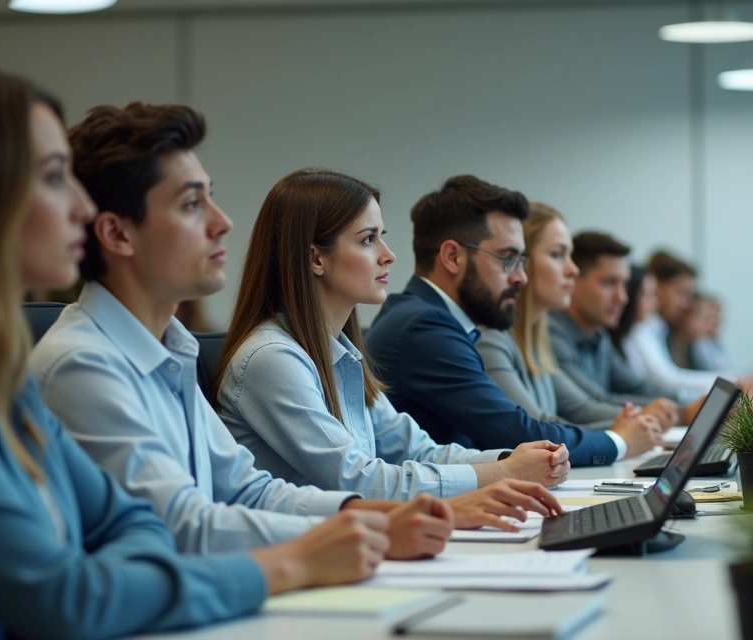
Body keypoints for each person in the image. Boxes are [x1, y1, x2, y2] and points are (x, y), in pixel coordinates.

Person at [0, 67, 389, 640]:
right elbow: (67, 597)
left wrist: (124, 568)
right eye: (51, 178)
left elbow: (132, 523)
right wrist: (292, 563)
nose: (80, 208)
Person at [30, 102, 449, 560]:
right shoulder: (82, 363)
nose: (223, 221)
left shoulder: (170, 347)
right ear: (118, 234)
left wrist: (377, 517)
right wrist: (370, 529)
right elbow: (184, 527)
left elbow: (249, 491)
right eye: (192, 204)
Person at [215, 169, 567, 531]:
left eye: (382, 237)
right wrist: (502, 472)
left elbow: (420, 452)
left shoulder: (341, 355)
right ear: (316, 259)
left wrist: (515, 459)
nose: (389, 255)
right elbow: (360, 482)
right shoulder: (272, 359)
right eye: (369, 239)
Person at [364, 175, 664, 467]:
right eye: (508, 259)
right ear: (453, 257)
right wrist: (619, 442)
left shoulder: (436, 321)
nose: (521, 276)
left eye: (521, 261)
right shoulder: (425, 328)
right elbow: (521, 433)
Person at [475, 204, 658, 430]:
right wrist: (625, 435)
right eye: (557, 255)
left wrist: (637, 424)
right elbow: (535, 429)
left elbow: (577, 410)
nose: (573, 270)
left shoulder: (536, 339)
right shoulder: (491, 338)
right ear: (521, 262)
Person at [548, 230, 708, 425]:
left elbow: (639, 388)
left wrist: (691, 404)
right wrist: (682, 413)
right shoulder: (551, 333)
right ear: (573, 280)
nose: (622, 298)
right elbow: (591, 403)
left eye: (623, 284)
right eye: (608, 283)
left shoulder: (598, 334)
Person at [627, 250, 753, 402]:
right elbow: (667, 380)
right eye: (681, 292)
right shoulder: (643, 326)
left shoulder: (662, 328)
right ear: (657, 286)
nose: (687, 304)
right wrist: (735, 381)